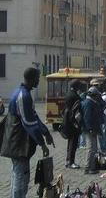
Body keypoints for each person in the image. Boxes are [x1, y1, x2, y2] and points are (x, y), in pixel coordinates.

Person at [1, 67, 54, 198]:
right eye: (37, 77)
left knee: (18, 174)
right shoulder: (23, 96)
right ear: (32, 79)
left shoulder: (24, 93)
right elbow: (29, 123)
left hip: (18, 143)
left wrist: (46, 132)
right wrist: (42, 144)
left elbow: (34, 116)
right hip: (18, 143)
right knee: (21, 177)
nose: (38, 80)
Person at [81, 86, 104, 174]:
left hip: (92, 129)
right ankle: (88, 167)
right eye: (96, 95)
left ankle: (92, 166)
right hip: (89, 129)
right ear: (93, 95)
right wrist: (90, 129)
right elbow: (87, 117)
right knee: (90, 148)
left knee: (93, 148)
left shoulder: (92, 102)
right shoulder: (88, 103)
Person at [63, 79, 83, 168]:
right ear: (77, 87)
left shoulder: (67, 95)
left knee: (69, 141)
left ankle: (67, 161)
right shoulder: (76, 97)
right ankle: (71, 162)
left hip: (67, 120)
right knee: (73, 142)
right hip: (73, 121)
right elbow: (77, 112)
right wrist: (79, 123)